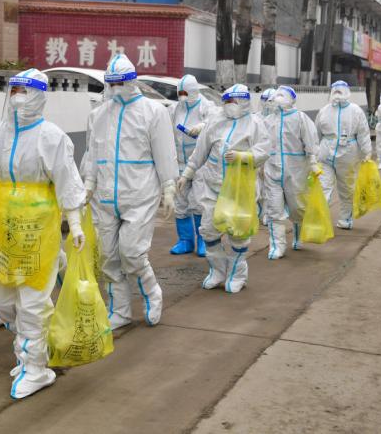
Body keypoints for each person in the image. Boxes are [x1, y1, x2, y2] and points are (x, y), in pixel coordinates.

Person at [0, 68, 86, 399]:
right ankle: (28, 349)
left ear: (40, 97)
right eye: (15, 91)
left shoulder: (52, 137)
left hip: (39, 229)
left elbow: (68, 181)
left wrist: (76, 223)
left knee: (33, 301)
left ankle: (36, 367)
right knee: (1, 299)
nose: (19, 98)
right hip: (3, 228)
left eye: (26, 92)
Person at [82, 54, 178, 330]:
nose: (113, 90)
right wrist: (88, 183)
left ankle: (151, 292)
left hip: (139, 193)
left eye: (118, 84)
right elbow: (93, 152)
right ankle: (120, 310)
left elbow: (164, 152)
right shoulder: (98, 114)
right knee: (108, 257)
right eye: (109, 84)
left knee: (132, 253)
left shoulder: (153, 112)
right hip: (104, 195)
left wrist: (168, 187)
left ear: (131, 81)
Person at [178, 84, 270, 292]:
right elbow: (201, 150)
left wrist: (244, 156)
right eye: (227, 102)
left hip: (239, 187)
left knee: (238, 232)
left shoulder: (255, 123)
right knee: (209, 230)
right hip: (212, 184)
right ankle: (217, 270)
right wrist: (187, 173)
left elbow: (264, 150)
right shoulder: (216, 121)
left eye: (234, 102)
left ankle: (238, 274)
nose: (230, 106)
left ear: (244, 102)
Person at [263, 86, 320, 259]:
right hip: (272, 169)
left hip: (296, 170)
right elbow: (261, 144)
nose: (276, 97)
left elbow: (310, 142)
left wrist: (313, 162)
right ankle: (277, 246)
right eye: (276, 94)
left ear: (291, 99)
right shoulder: (268, 120)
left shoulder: (300, 118)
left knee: (298, 207)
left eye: (281, 95)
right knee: (274, 209)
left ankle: (298, 234)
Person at [315, 80, 372, 229]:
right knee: (322, 187)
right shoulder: (324, 110)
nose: (337, 93)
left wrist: (367, 152)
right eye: (335, 90)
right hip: (326, 154)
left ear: (347, 92)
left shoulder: (356, 111)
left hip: (348, 154)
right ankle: (320, 219)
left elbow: (363, 133)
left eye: (340, 90)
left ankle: (345, 219)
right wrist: (314, 153)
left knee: (346, 189)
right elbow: (316, 134)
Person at [169, 74, 213, 257]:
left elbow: (216, 123)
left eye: (186, 92)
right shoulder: (174, 109)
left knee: (198, 202)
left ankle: (203, 240)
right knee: (180, 202)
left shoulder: (206, 106)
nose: (182, 96)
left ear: (194, 91)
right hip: (179, 161)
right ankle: (185, 240)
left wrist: (202, 127)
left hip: (200, 163)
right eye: (180, 93)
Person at [257, 88, 276, 225]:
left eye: (270, 101)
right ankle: (259, 212)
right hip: (257, 157)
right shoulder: (256, 117)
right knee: (258, 188)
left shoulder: (279, 119)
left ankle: (268, 214)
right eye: (265, 101)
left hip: (273, 158)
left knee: (270, 188)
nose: (267, 104)